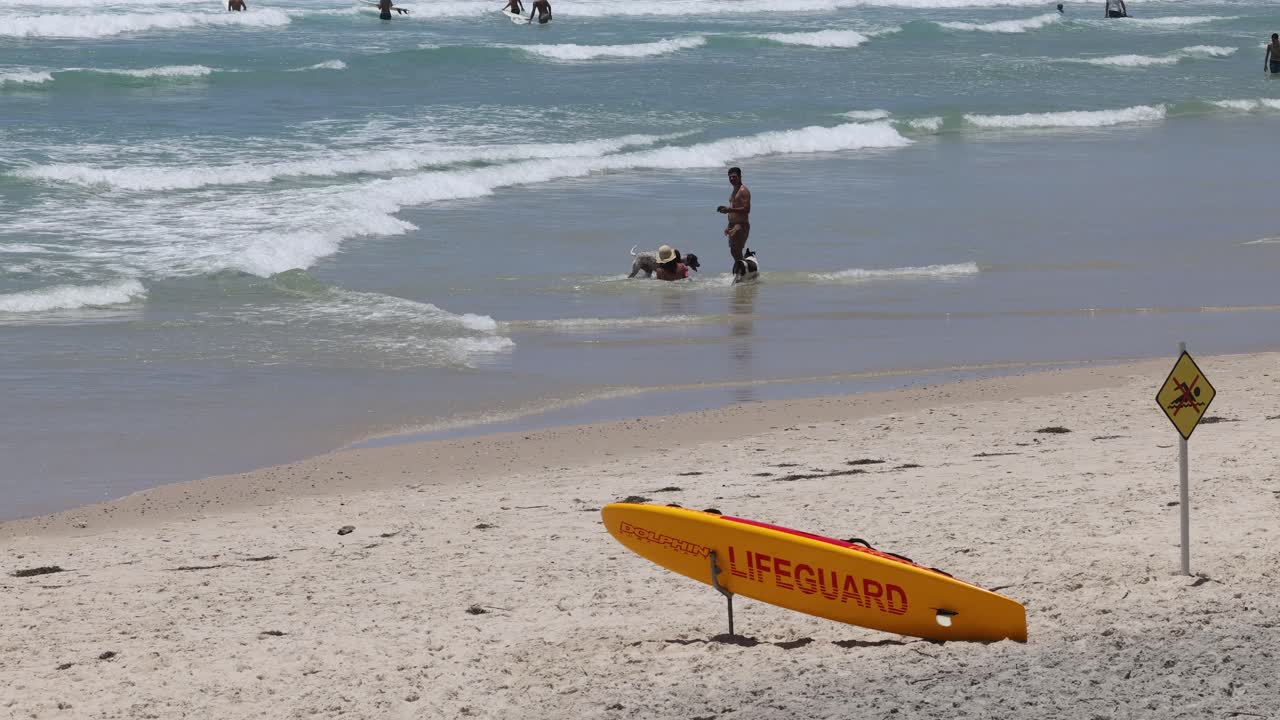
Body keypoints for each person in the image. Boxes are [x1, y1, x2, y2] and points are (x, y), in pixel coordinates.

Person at [717, 167, 752, 279]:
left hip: (741, 225)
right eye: (730, 177)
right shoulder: (734, 190)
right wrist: (728, 225)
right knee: (734, 251)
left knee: (736, 250)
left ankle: (743, 271)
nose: (732, 179)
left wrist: (729, 210)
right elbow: (733, 209)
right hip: (733, 224)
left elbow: (747, 209)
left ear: (740, 176)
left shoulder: (743, 190)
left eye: (734, 177)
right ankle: (744, 271)